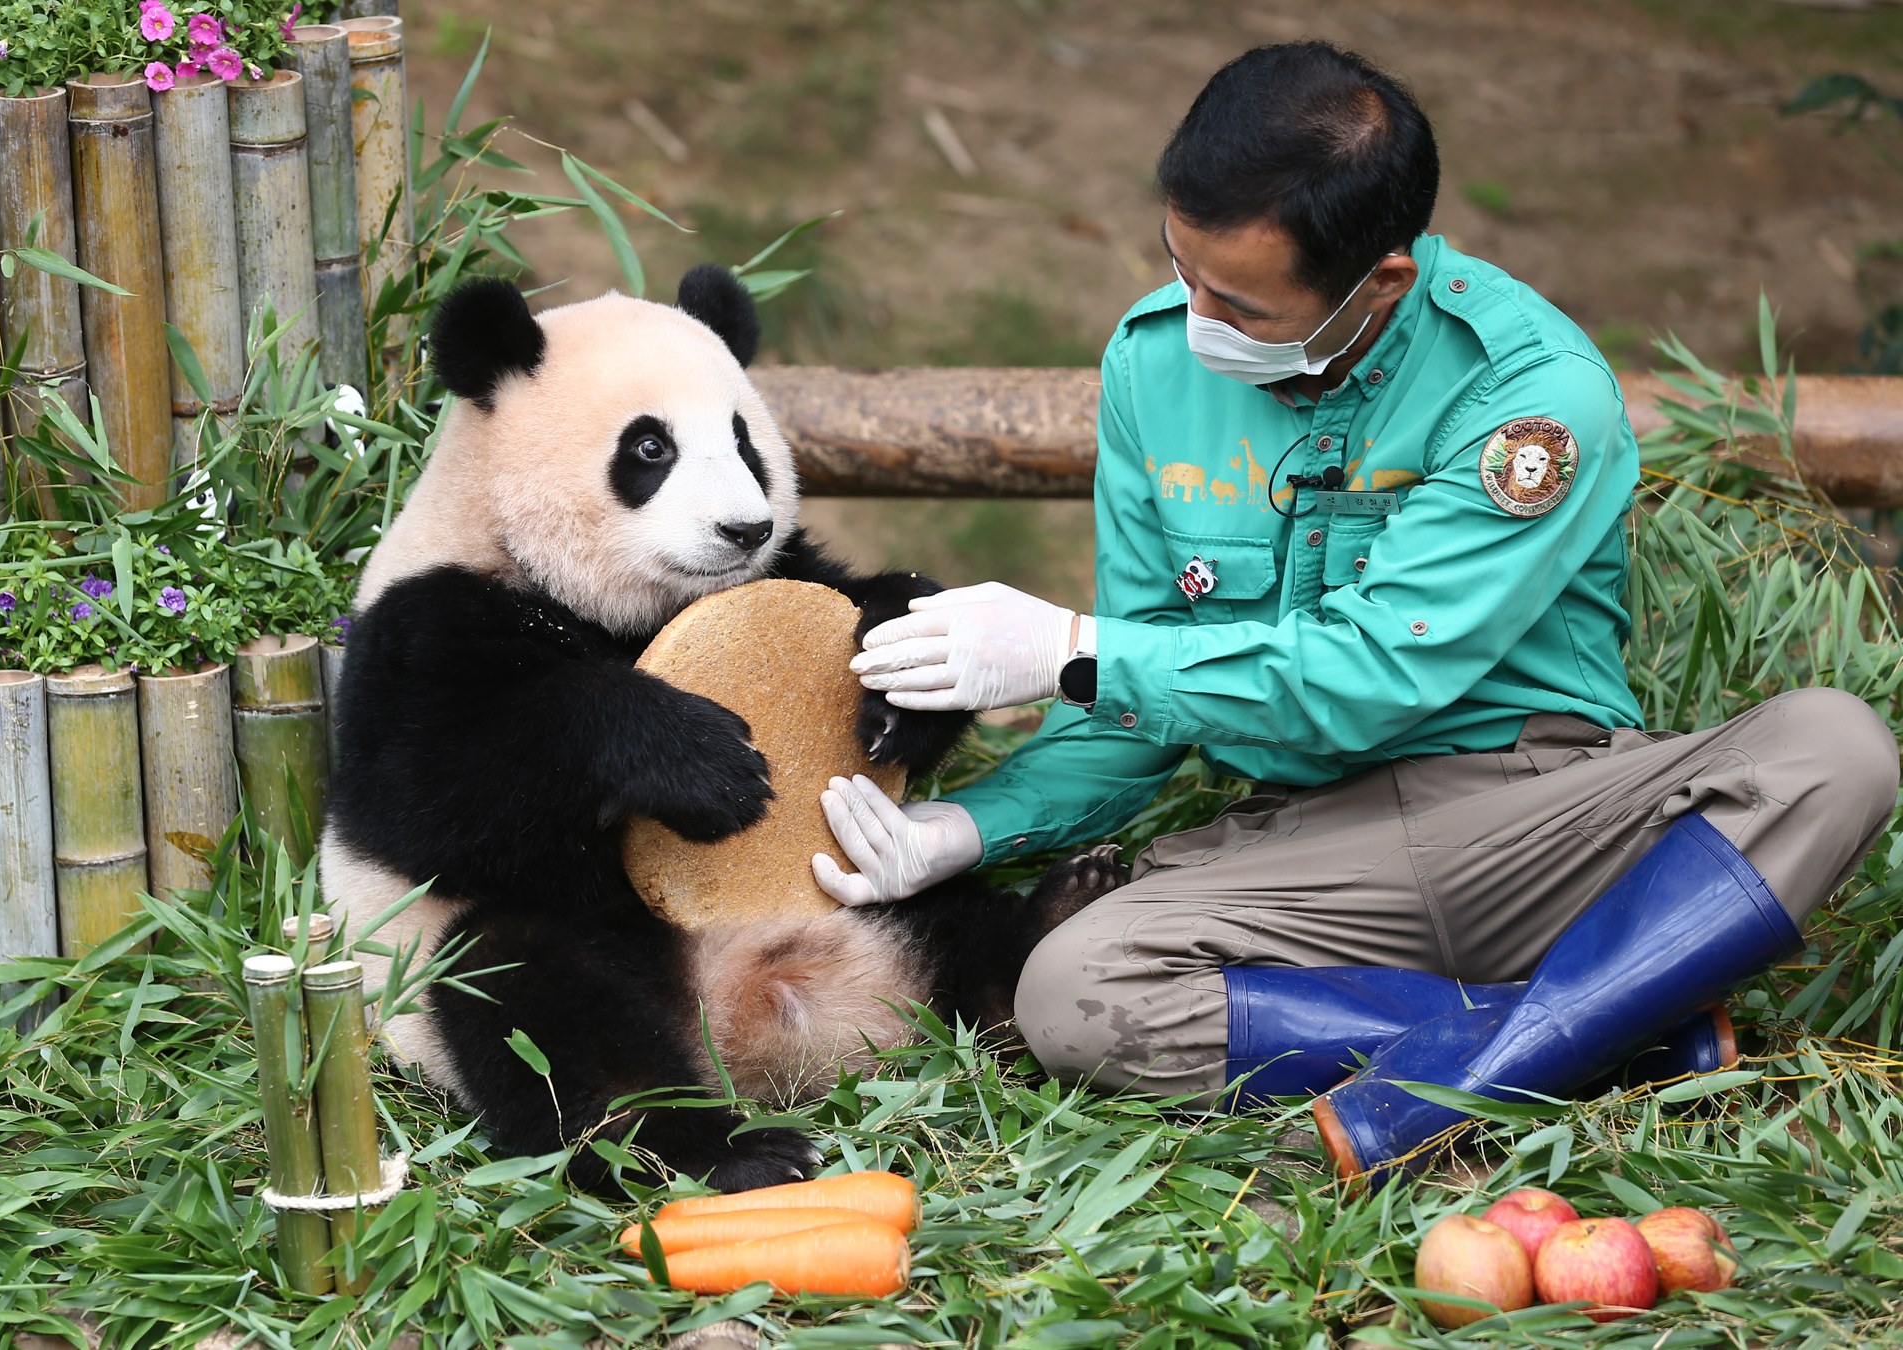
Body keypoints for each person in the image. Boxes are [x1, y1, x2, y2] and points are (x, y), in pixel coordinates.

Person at [808, 40, 1899, 1184]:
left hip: (1534, 822)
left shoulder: (1526, 392)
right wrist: (970, 828)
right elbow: (1138, 700)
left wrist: (1075, 652)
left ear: (1378, 281)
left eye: (1236, 301)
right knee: (1073, 994)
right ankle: (1598, 1032)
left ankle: (1471, 1066)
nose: (1192, 322)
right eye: (1180, 270)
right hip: (1306, 852)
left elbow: (1366, 675)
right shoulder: (1150, 366)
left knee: (1832, 750)